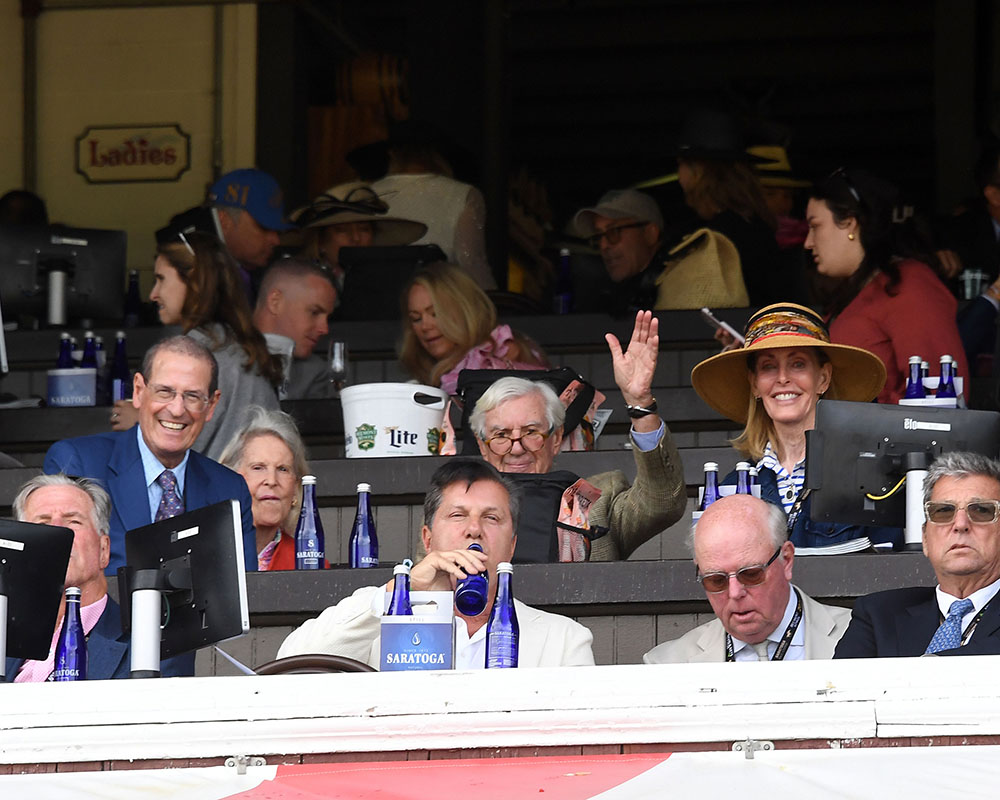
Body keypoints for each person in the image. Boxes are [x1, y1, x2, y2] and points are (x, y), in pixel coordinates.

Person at [277, 459, 595, 668]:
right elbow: (294, 662)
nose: (474, 529)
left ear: (511, 546)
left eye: (491, 518)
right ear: (428, 540)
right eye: (458, 515)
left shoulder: (564, 640)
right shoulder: (385, 621)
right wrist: (405, 588)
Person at [470, 311, 686, 560]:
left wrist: (640, 404)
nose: (517, 448)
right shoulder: (456, 508)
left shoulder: (596, 501)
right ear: (482, 445)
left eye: (531, 432)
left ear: (556, 437)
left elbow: (663, 504)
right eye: (501, 435)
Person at [43, 336, 257, 575]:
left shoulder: (229, 489)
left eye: (192, 396)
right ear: (138, 391)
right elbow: (62, 574)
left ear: (211, 405)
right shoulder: (79, 464)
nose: (177, 410)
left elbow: (243, 590)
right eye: (164, 392)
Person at [692, 302, 897, 550]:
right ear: (754, 384)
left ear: (823, 378)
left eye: (798, 363)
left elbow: (891, 570)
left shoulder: (869, 478)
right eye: (768, 366)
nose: (782, 378)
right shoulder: (733, 486)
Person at [112, 229, 282, 459]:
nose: (153, 294)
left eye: (161, 280)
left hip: (215, 491)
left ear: (193, 282)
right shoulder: (242, 346)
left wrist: (142, 423)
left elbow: (174, 456)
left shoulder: (190, 355)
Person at [6, 474, 194, 680]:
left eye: (74, 521)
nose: (58, 530)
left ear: (103, 550)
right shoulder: (4, 641)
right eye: (43, 523)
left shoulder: (156, 645)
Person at [805, 167, 968, 404]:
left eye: (815, 226)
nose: (808, 243)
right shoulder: (858, 288)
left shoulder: (911, 287)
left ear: (850, 224)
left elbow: (938, 400)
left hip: (890, 440)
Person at [644, 495, 850, 663]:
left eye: (751, 574)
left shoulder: (864, 637)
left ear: (786, 560)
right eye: (716, 580)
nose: (734, 593)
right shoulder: (667, 665)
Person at [835, 452, 1000, 658]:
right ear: (925, 539)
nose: (960, 524)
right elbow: (842, 688)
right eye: (943, 512)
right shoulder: (879, 614)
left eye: (981, 511)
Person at [673, 109, 800, 306]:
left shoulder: (718, 234)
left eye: (681, 164)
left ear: (697, 171)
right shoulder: (756, 226)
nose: (678, 175)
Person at [369, 122, 497, 290]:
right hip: (440, 301)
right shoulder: (463, 195)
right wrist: (495, 303)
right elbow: (470, 261)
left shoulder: (367, 194)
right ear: (439, 156)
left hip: (379, 299)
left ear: (392, 154)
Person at [399, 262, 546, 394]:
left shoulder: (503, 353)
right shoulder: (427, 373)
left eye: (435, 313)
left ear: (465, 309)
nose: (425, 326)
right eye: (416, 318)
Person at [289, 181, 426, 296]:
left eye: (364, 229)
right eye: (342, 230)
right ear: (320, 242)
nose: (355, 238)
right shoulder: (300, 284)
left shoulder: (392, 283)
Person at [219, 406, 311, 571]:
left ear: (295, 489)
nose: (271, 480)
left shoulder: (309, 563)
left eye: (283, 469)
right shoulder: (207, 555)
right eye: (258, 467)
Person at [253, 257, 338, 399]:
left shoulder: (314, 372)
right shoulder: (221, 357)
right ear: (275, 302)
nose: (324, 329)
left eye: (327, 318)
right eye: (314, 312)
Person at [207, 168, 294, 298]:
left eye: (277, 231)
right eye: (264, 227)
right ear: (224, 220)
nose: (276, 240)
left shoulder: (264, 271)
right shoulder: (192, 276)